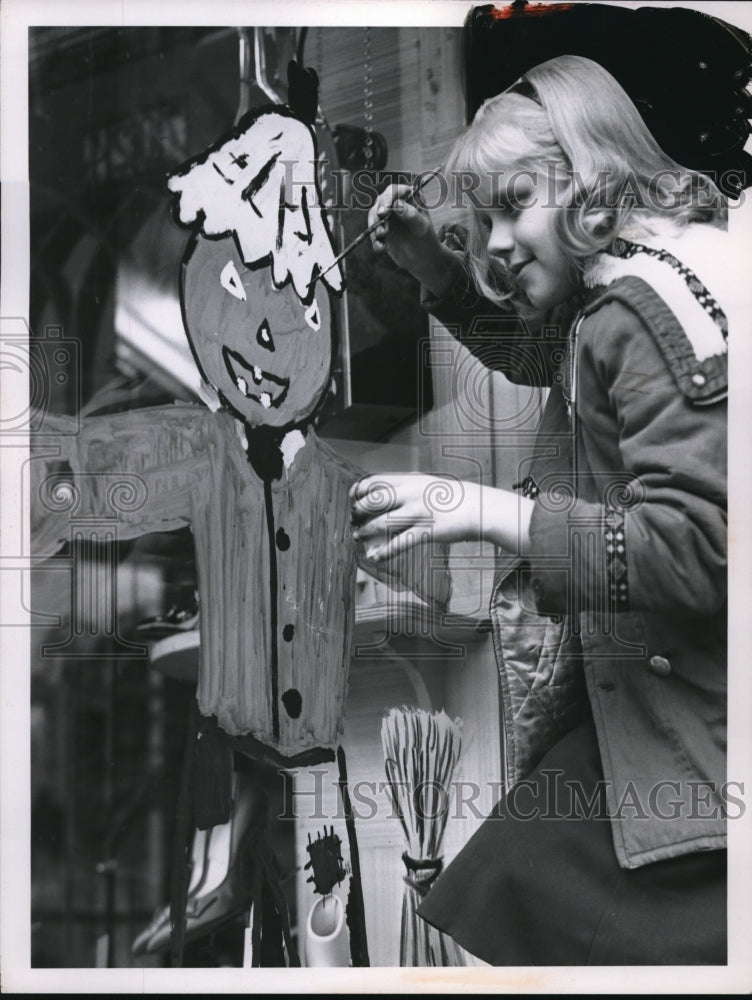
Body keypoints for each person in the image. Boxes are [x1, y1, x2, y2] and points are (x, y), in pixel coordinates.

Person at [350, 54, 733, 965]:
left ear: (593, 181)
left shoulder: (641, 315)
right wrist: (432, 269)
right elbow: (537, 353)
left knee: (508, 889)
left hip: (695, 720)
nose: (494, 243)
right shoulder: (616, 298)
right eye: (480, 222)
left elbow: (694, 550)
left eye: (514, 204)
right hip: (655, 711)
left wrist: (494, 513)